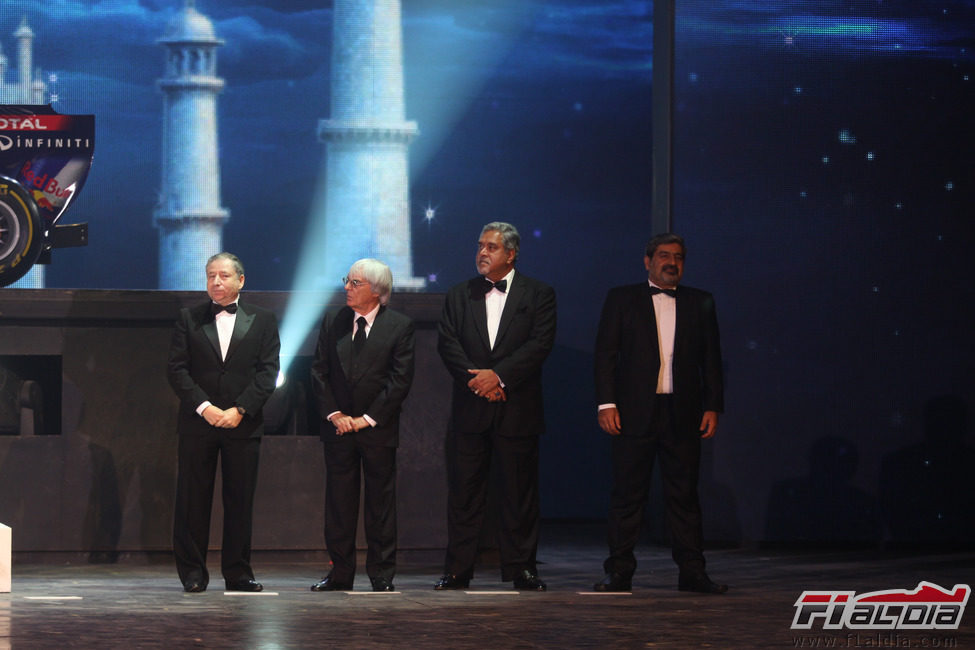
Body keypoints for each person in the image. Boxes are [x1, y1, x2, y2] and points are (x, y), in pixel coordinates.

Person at [593, 233, 727, 594]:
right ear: (647, 260)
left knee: (684, 496)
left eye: (679, 257)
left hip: (682, 413)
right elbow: (605, 353)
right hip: (633, 412)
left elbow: (711, 360)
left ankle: (692, 572)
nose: (672, 262)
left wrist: (713, 405)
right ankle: (619, 571)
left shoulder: (701, 301)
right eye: (665, 255)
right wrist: (607, 403)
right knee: (627, 495)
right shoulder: (622, 298)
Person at [434, 222, 557, 591]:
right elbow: (448, 343)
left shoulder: (539, 294)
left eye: (491, 247)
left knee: (518, 494)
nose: (482, 252)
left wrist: (499, 377)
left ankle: (521, 568)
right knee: (465, 494)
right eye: (480, 246)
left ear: (511, 253)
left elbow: (539, 344)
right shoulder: (459, 294)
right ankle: (458, 570)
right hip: (472, 410)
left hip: (517, 409)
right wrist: (479, 381)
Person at [167, 252, 280, 593]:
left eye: (224, 276)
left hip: (242, 425)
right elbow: (177, 369)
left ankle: (238, 573)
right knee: (192, 501)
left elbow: (268, 371)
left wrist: (240, 409)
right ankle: (193, 573)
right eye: (211, 276)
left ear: (240, 281)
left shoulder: (262, 319)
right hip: (198, 423)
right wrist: (205, 407)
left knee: (240, 501)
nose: (216, 282)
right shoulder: (189, 318)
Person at [309, 259, 415, 592]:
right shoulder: (334, 321)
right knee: (339, 505)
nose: (347, 288)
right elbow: (318, 373)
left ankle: (382, 574)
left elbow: (399, 381)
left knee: (380, 506)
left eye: (355, 283)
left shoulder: (399, 326)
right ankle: (340, 573)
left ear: (377, 290)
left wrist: (366, 419)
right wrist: (335, 415)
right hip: (338, 430)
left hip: (377, 429)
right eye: (348, 281)